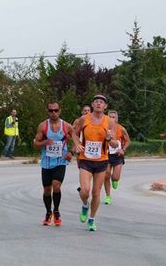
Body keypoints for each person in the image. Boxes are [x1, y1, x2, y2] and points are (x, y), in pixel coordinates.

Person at [73, 94, 118, 231]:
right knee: (85, 190)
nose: (99, 104)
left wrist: (110, 139)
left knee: (96, 193)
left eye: (101, 102)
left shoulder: (109, 122)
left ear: (105, 106)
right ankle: (85, 205)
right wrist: (77, 144)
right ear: (92, 105)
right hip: (85, 159)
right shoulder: (84, 119)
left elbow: (115, 144)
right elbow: (74, 133)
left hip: (101, 161)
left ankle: (92, 219)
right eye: (96, 102)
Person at [33, 101, 78, 226]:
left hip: (60, 161)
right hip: (46, 162)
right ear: (48, 112)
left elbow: (76, 140)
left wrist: (71, 153)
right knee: (47, 190)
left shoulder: (67, 126)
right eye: (51, 110)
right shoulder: (43, 126)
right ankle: (48, 213)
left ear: (60, 111)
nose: (54, 113)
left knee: (56, 186)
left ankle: (56, 211)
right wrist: (44, 143)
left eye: (56, 110)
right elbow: (36, 144)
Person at [103, 110, 131, 205]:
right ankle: (107, 196)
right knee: (106, 175)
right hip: (106, 155)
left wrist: (123, 149)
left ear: (116, 119)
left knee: (115, 177)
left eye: (113, 117)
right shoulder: (104, 128)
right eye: (109, 117)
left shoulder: (121, 129)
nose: (111, 119)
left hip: (117, 155)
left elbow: (128, 141)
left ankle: (115, 180)